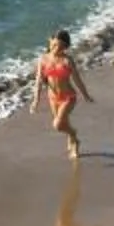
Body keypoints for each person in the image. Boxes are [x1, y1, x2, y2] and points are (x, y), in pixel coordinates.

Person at [31, 29, 90, 159]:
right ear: (50, 42)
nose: (55, 48)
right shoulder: (43, 60)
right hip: (53, 98)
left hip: (68, 97)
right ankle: (71, 137)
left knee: (57, 125)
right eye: (53, 44)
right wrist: (36, 101)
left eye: (59, 46)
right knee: (63, 122)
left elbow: (77, 80)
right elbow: (38, 81)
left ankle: (74, 136)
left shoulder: (67, 61)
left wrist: (85, 94)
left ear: (65, 46)